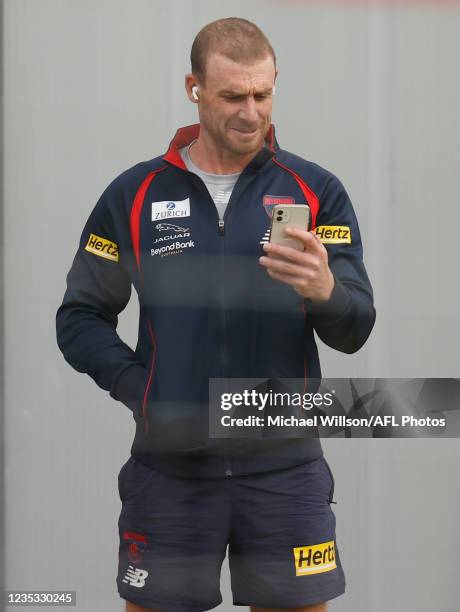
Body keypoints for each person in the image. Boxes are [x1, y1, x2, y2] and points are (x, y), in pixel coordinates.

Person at [56, 17, 375, 612]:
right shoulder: (134, 195)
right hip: (169, 473)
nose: (251, 112)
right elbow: (79, 318)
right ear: (194, 87)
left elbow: (354, 328)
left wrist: (326, 290)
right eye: (233, 95)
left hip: (285, 471)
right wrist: (142, 389)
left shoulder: (315, 190)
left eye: (263, 93)